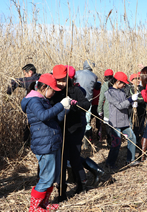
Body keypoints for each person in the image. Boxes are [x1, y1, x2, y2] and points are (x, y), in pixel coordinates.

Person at [49, 65, 104, 201]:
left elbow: (86, 105)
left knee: (74, 159)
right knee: (61, 163)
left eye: (63, 80)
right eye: (58, 80)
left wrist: (74, 104)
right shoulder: (54, 92)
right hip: (59, 131)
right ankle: (62, 193)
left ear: (69, 78)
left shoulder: (75, 90)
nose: (61, 83)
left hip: (74, 130)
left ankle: (81, 185)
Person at [21, 73, 71, 211]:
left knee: (52, 177)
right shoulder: (34, 101)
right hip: (44, 145)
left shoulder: (44, 99)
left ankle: (43, 204)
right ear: (44, 87)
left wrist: (65, 109)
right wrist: (60, 105)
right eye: (53, 90)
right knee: (46, 178)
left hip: (52, 141)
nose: (54, 93)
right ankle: (34, 207)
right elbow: (43, 116)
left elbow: (55, 119)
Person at [105, 72, 140, 169]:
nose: (124, 85)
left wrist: (132, 103)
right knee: (116, 143)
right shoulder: (109, 93)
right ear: (117, 82)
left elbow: (124, 104)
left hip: (124, 121)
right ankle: (110, 163)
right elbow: (120, 105)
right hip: (115, 122)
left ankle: (130, 160)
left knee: (132, 138)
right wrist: (130, 100)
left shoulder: (122, 91)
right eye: (123, 83)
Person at [75, 60, 98, 146]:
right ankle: (86, 142)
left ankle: (79, 141)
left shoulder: (77, 73)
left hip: (77, 100)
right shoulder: (94, 76)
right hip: (88, 101)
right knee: (87, 121)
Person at [125, 73, 146, 146]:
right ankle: (132, 142)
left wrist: (138, 99)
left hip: (141, 111)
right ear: (131, 81)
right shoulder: (130, 89)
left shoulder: (142, 88)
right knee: (133, 126)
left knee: (140, 127)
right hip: (132, 112)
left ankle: (138, 141)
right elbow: (132, 98)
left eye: (139, 79)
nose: (138, 80)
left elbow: (144, 98)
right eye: (135, 79)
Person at [98, 69, 114, 147]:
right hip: (116, 110)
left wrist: (99, 110)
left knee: (108, 128)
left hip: (107, 110)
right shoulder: (116, 83)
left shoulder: (105, 85)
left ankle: (109, 144)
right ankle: (115, 143)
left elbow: (101, 99)